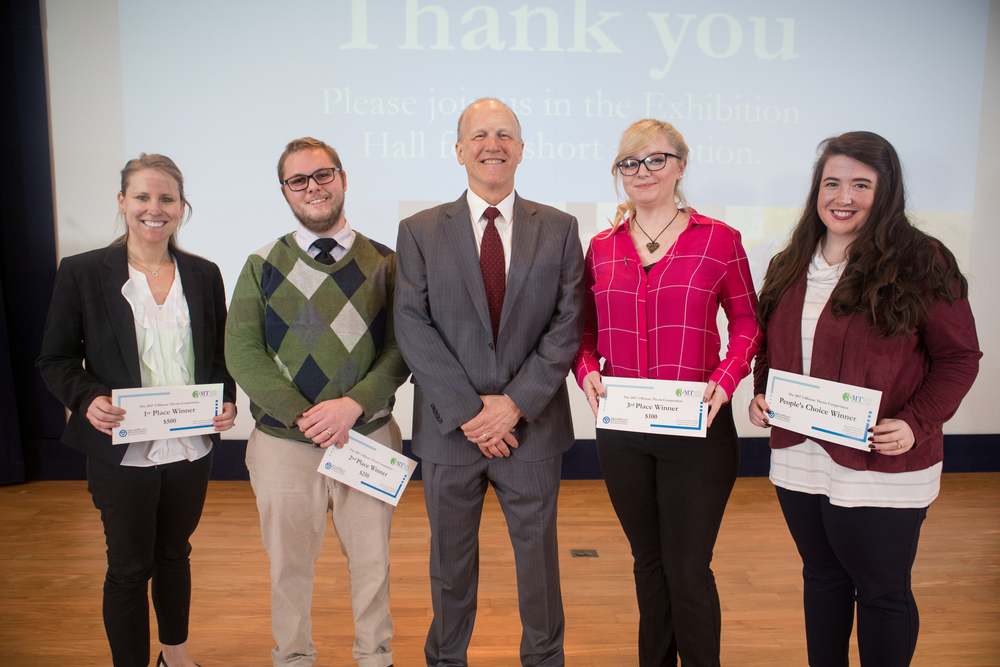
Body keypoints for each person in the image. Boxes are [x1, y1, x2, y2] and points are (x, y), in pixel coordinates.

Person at [748, 131, 981, 667]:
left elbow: (959, 357)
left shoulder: (923, 260)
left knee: (881, 592)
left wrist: (917, 422)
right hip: (801, 455)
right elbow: (773, 343)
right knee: (823, 580)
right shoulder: (792, 259)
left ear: (887, 190)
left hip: (883, 462)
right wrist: (762, 393)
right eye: (832, 182)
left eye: (860, 184)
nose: (842, 196)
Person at [394, 98, 584, 667]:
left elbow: (568, 322)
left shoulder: (559, 227)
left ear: (522, 150)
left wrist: (516, 405)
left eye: (504, 134)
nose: (492, 144)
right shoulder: (420, 231)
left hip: (534, 430)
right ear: (459, 151)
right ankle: (446, 660)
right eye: (479, 135)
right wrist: (472, 413)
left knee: (539, 570)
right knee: (450, 567)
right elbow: (411, 323)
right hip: (450, 434)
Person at [572, 119, 760, 667]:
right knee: (647, 564)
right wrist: (587, 371)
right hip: (624, 431)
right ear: (619, 174)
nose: (643, 172)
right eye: (630, 163)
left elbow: (748, 323)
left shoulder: (718, 240)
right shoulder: (602, 247)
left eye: (656, 159)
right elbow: (582, 332)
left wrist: (725, 381)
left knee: (688, 567)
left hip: (697, 431)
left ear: (681, 164)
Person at [37, 153, 237, 667]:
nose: (155, 208)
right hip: (119, 450)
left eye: (166, 198)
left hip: (190, 447)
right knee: (128, 568)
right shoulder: (82, 273)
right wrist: (87, 400)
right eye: (143, 197)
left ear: (181, 207)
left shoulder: (204, 273)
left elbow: (220, 356)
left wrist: (227, 400)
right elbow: (55, 359)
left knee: (174, 555)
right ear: (122, 202)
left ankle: (176, 655)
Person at [225, 137, 409, 667]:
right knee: (288, 566)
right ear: (285, 190)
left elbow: (404, 347)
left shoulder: (386, 262)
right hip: (285, 442)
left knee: (373, 563)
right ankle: (294, 657)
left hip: (366, 436)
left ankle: (375, 656)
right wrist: (303, 415)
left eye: (323, 175)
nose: (313, 187)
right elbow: (242, 351)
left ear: (343, 179)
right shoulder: (261, 264)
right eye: (298, 180)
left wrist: (351, 406)